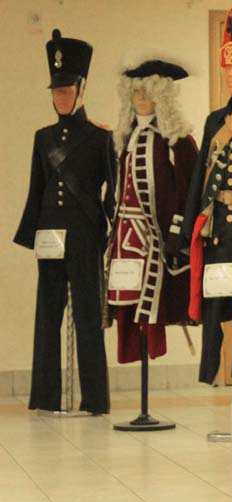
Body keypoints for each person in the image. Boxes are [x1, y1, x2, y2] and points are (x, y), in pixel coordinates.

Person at [14, 29, 115, 414]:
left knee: (88, 316)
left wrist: (108, 233)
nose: (60, 97)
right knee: (47, 316)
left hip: (84, 235)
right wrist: (32, 232)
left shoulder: (100, 138)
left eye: (67, 90)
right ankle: (44, 397)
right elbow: (36, 189)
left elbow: (113, 190)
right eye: (55, 91)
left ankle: (95, 399)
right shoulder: (43, 138)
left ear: (81, 89)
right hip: (49, 235)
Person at [180, 0, 232, 385]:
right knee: (215, 311)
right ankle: (216, 373)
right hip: (218, 234)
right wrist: (187, 232)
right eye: (228, 68)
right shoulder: (215, 120)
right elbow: (199, 177)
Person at [107, 57, 198, 364]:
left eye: (148, 91)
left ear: (162, 96)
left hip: (156, 238)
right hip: (125, 235)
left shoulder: (178, 141)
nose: (141, 98)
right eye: (136, 91)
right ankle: (132, 350)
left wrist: (176, 234)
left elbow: (188, 192)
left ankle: (151, 346)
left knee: (153, 302)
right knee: (127, 300)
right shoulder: (125, 138)